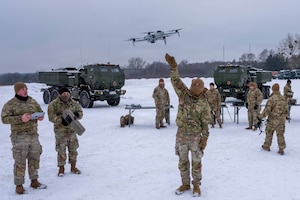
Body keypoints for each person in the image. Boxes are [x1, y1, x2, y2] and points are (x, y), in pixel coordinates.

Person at [165, 54, 210, 197]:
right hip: (182, 134)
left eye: (198, 87)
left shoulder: (204, 103)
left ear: (202, 89)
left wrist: (205, 138)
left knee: (196, 162)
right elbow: (175, 80)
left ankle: (196, 185)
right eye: (193, 86)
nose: (195, 88)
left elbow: (205, 123)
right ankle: (185, 183)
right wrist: (173, 68)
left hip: (196, 137)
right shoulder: (184, 94)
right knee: (182, 161)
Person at [1, 82, 46, 194]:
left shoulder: (32, 101)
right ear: (17, 91)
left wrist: (40, 116)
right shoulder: (10, 104)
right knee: (20, 160)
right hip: (20, 136)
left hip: (33, 135)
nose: (25, 91)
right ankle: (19, 185)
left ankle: (34, 180)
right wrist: (20, 118)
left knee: (34, 158)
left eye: (26, 88)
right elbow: (4, 119)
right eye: (22, 89)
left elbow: (40, 111)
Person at [47, 87, 83, 177]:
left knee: (73, 149)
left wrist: (77, 115)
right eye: (63, 94)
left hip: (72, 130)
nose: (66, 95)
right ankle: (61, 168)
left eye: (67, 93)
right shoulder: (53, 104)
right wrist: (60, 120)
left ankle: (73, 166)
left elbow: (80, 112)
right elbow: (51, 116)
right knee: (61, 150)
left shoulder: (74, 103)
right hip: (60, 131)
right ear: (60, 94)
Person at [258, 83, 288, 155]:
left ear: (273, 89)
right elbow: (286, 110)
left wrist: (261, 116)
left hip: (272, 119)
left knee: (269, 133)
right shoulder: (283, 98)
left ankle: (266, 145)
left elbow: (267, 110)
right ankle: (281, 149)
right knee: (280, 134)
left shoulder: (272, 99)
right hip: (281, 120)